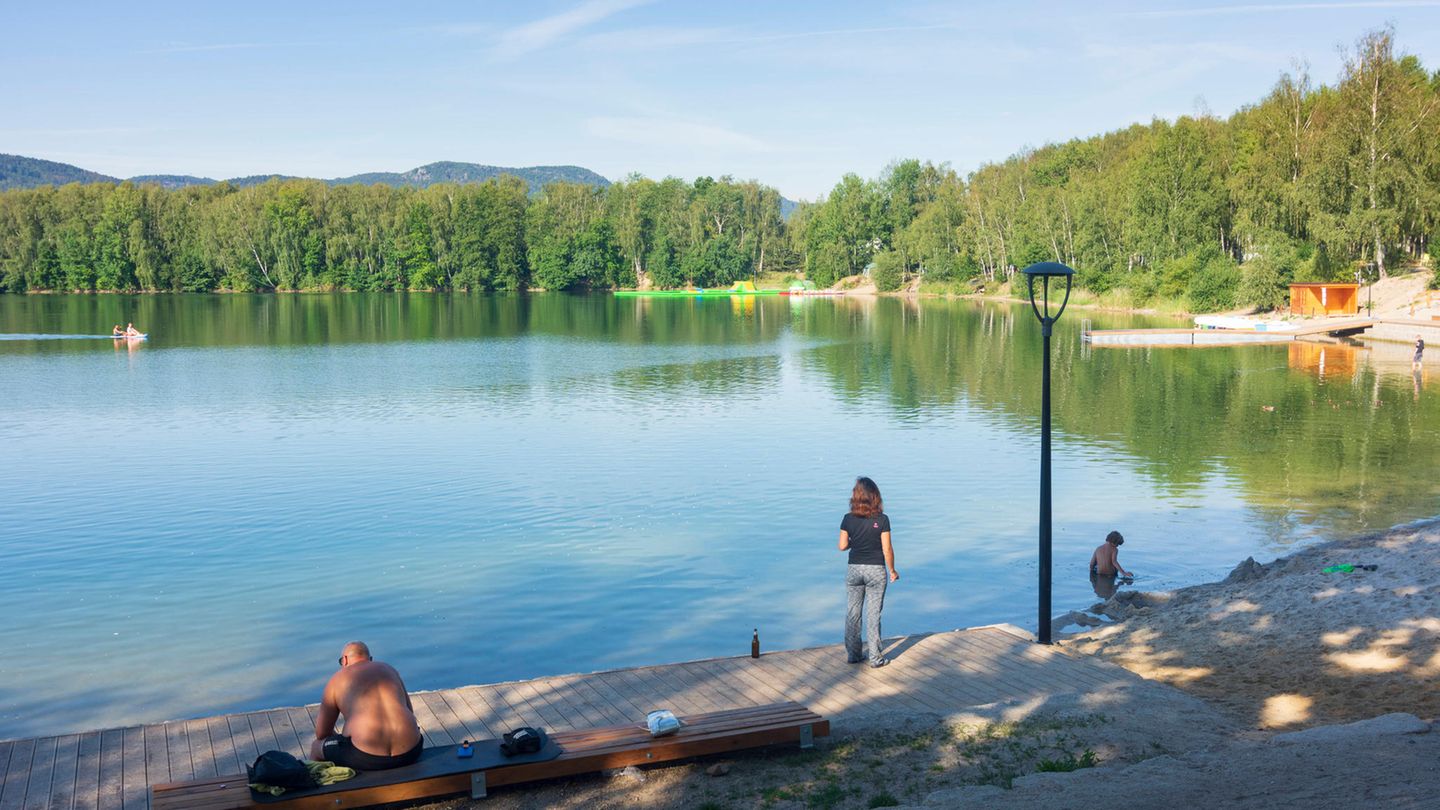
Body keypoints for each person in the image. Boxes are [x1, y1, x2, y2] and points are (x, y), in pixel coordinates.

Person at [309, 641, 424, 770]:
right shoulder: (389, 669)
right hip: (411, 750)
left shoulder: (336, 679)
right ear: (370, 659)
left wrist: (340, 740)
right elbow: (409, 711)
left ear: (345, 660)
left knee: (316, 747)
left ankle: (321, 787)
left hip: (367, 757)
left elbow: (322, 733)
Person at [838, 476, 899, 668]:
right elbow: (887, 549)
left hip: (854, 569)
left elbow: (842, 546)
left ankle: (854, 655)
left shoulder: (848, 519)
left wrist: (854, 541)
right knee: (874, 615)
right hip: (876, 571)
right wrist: (892, 570)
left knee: (852, 613)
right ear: (875, 497)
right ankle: (875, 658)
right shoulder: (882, 520)